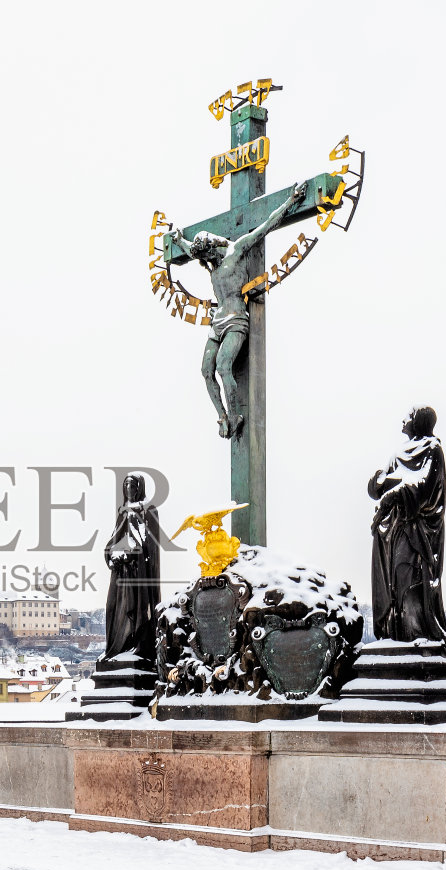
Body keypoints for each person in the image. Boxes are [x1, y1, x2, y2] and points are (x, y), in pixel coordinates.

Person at [166, 194, 299, 439]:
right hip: (217, 321)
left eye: (207, 256)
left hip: (237, 318)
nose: (206, 262)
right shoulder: (210, 260)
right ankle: (222, 416)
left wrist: (291, 201)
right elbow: (187, 249)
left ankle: (236, 413)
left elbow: (266, 226)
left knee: (223, 366)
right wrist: (178, 240)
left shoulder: (235, 251)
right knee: (207, 370)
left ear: (214, 247)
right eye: (203, 259)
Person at [368, 407, 446, 649]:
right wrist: (378, 483)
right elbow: (378, 490)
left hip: (417, 532)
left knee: (408, 578)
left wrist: (394, 494)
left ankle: (416, 634)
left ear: (419, 421)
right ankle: (395, 633)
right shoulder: (397, 454)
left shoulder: (433, 450)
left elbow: (427, 490)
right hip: (391, 530)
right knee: (390, 583)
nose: (403, 420)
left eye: (408, 417)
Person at [102, 473, 162, 666]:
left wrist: (130, 553)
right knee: (112, 606)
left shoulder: (148, 510)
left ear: (140, 489)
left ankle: (136, 646)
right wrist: (112, 554)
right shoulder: (122, 511)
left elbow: (148, 543)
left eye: (133, 486)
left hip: (138, 571)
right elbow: (115, 537)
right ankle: (115, 648)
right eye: (126, 485)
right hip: (120, 571)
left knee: (136, 608)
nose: (129, 489)